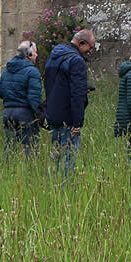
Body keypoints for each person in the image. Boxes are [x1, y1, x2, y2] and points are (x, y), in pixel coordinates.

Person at [44, 29, 95, 174]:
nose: (90, 51)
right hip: (68, 118)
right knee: (68, 160)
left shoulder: (54, 55)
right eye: (90, 47)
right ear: (81, 43)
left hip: (53, 114)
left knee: (55, 158)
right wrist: (78, 122)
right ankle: (65, 189)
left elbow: (53, 84)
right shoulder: (76, 61)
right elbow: (77, 94)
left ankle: (52, 189)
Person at [0, 40, 44, 156]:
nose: (36, 55)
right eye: (35, 53)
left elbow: (0, 92)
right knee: (29, 150)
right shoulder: (33, 72)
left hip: (8, 113)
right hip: (25, 114)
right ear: (29, 55)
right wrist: (40, 115)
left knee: (10, 148)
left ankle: (7, 171)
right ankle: (29, 172)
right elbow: (34, 98)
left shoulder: (6, 70)